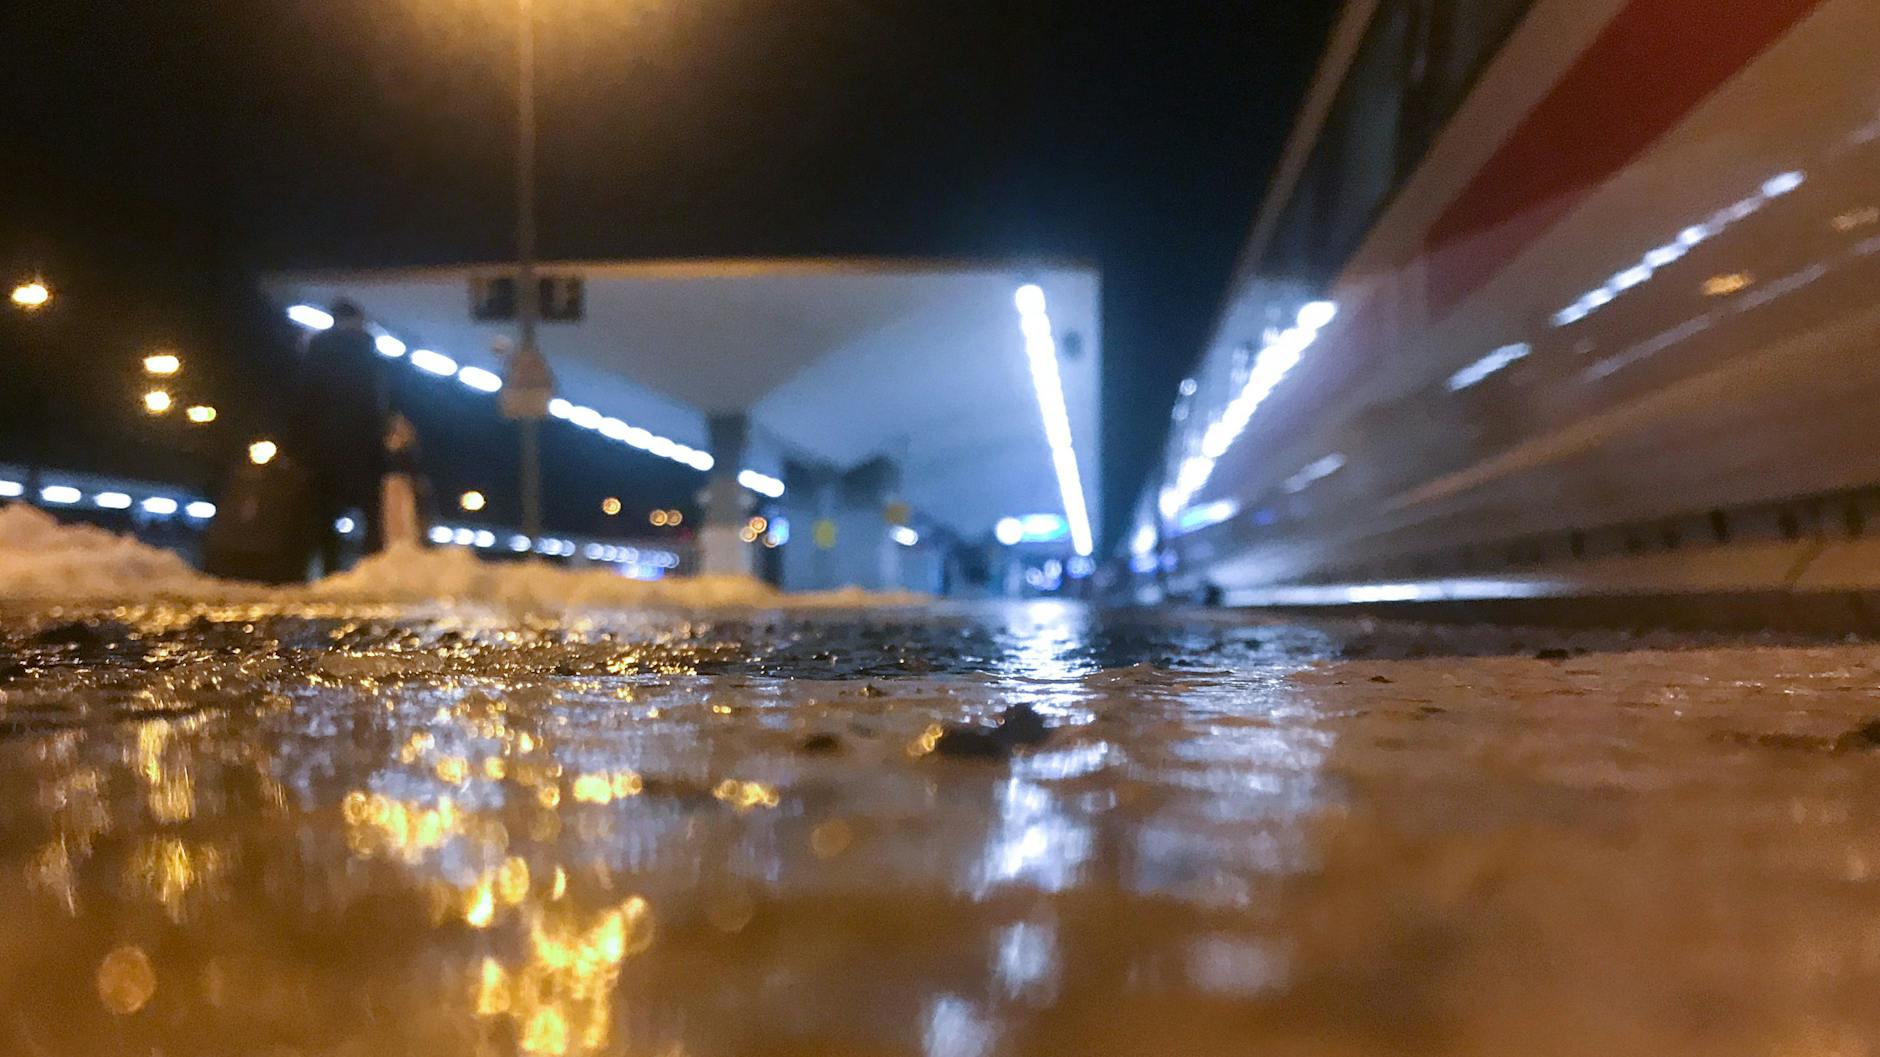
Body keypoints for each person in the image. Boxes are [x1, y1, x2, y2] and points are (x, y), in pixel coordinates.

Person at [288, 300, 390, 574]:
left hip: (322, 445)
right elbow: (374, 400)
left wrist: (300, 444)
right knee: (371, 510)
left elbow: (303, 398)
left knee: (324, 513)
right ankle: (371, 567)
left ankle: (328, 568)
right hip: (361, 444)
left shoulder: (316, 349)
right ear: (354, 319)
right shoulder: (365, 349)